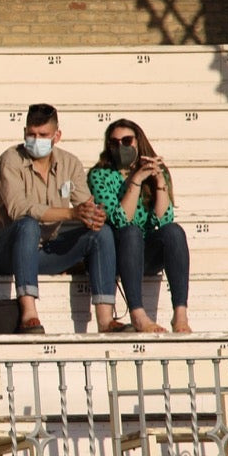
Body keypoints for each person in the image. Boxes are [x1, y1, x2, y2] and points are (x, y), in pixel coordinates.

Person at [0, 103, 121, 334]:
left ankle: (105, 319)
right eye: (31, 134)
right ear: (24, 132)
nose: (36, 139)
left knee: (101, 234)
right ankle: (29, 313)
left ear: (57, 136)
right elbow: (18, 209)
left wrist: (93, 215)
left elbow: (85, 203)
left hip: (41, 249)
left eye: (43, 135)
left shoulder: (70, 163)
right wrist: (72, 213)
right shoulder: (10, 160)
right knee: (27, 224)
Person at [88, 119, 192, 334]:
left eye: (127, 141)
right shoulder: (100, 175)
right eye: (114, 142)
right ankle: (137, 313)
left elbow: (164, 219)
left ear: (138, 142)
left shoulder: (154, 172)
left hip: (146, 252)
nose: (121, 147)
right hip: (117, 252)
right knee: (131, 232)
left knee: (174, 231)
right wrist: (136, 181)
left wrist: (160, 181)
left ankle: (180, 314)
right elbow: (120, 219)